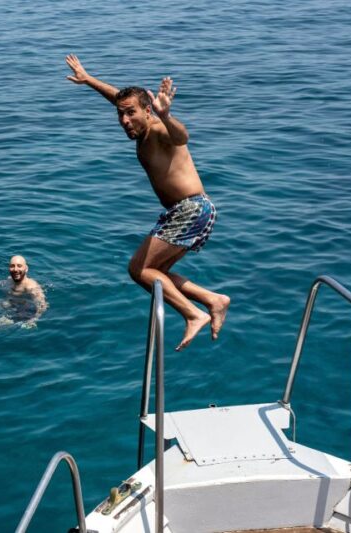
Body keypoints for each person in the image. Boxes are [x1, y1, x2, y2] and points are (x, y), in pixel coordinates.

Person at [65, 54, 230, 351]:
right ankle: (213, 300)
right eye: (120, 115)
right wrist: (88, 80)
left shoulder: (156, 129)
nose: (124, 120)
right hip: (186, 211)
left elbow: (181, 137)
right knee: (156, 275)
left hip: (189, 208)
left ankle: (194, 314)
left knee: (138, 269)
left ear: (148, 111)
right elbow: (118, 97)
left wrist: (166, 116)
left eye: (131, 114)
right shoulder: (139, 123)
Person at [0, 255, 48, 328]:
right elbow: (1, 283)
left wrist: (33, 319)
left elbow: (43, 305)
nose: (15, 269)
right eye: (12, 266)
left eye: (19, 266)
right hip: (5, 304)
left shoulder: (31, 286)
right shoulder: (9, 280)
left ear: (26, 268)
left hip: (20, 312)